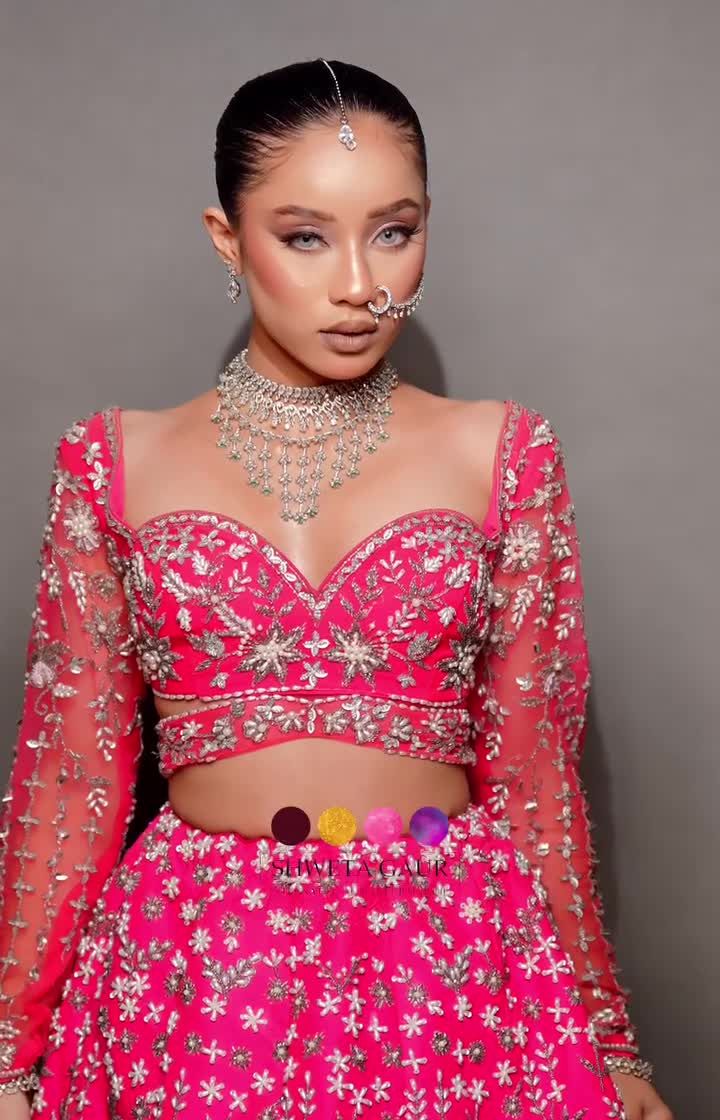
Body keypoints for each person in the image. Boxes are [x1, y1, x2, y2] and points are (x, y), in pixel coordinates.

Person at [0, 58, 672, 1120]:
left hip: (451, 963)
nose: (360, 283)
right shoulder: (113, 462)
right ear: (229, 241)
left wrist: (607, 1036)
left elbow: (535, 774)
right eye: (305, 237)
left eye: (394, 231)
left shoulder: (502, 453)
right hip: (201, 970)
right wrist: (9, 1054)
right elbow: (69, 781)